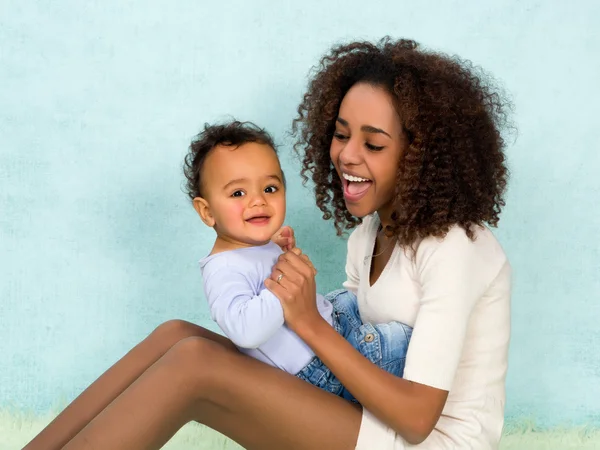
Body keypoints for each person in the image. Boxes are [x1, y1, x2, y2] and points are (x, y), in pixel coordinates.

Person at [24, 37, 511, 450]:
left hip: (424, 442)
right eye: (340, 136)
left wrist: (306, 320)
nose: (347, 155)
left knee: (195, 364)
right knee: (177, 335)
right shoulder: (370, 235)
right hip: (364, 415)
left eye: (374, 144)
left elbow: (416, 418)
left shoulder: (454, 247)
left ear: (421, 155)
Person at [187, 120, 412, 401]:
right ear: (206, 212)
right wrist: (285, 284)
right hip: (319, 368)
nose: (258, 201)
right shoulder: (221, 270)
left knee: (359, 296)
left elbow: (261, 272)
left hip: (330, 321)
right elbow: (245, 332)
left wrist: (276, 249)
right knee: (405, 338)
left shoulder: (249, 244)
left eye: (270, 189)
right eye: (238, 193)